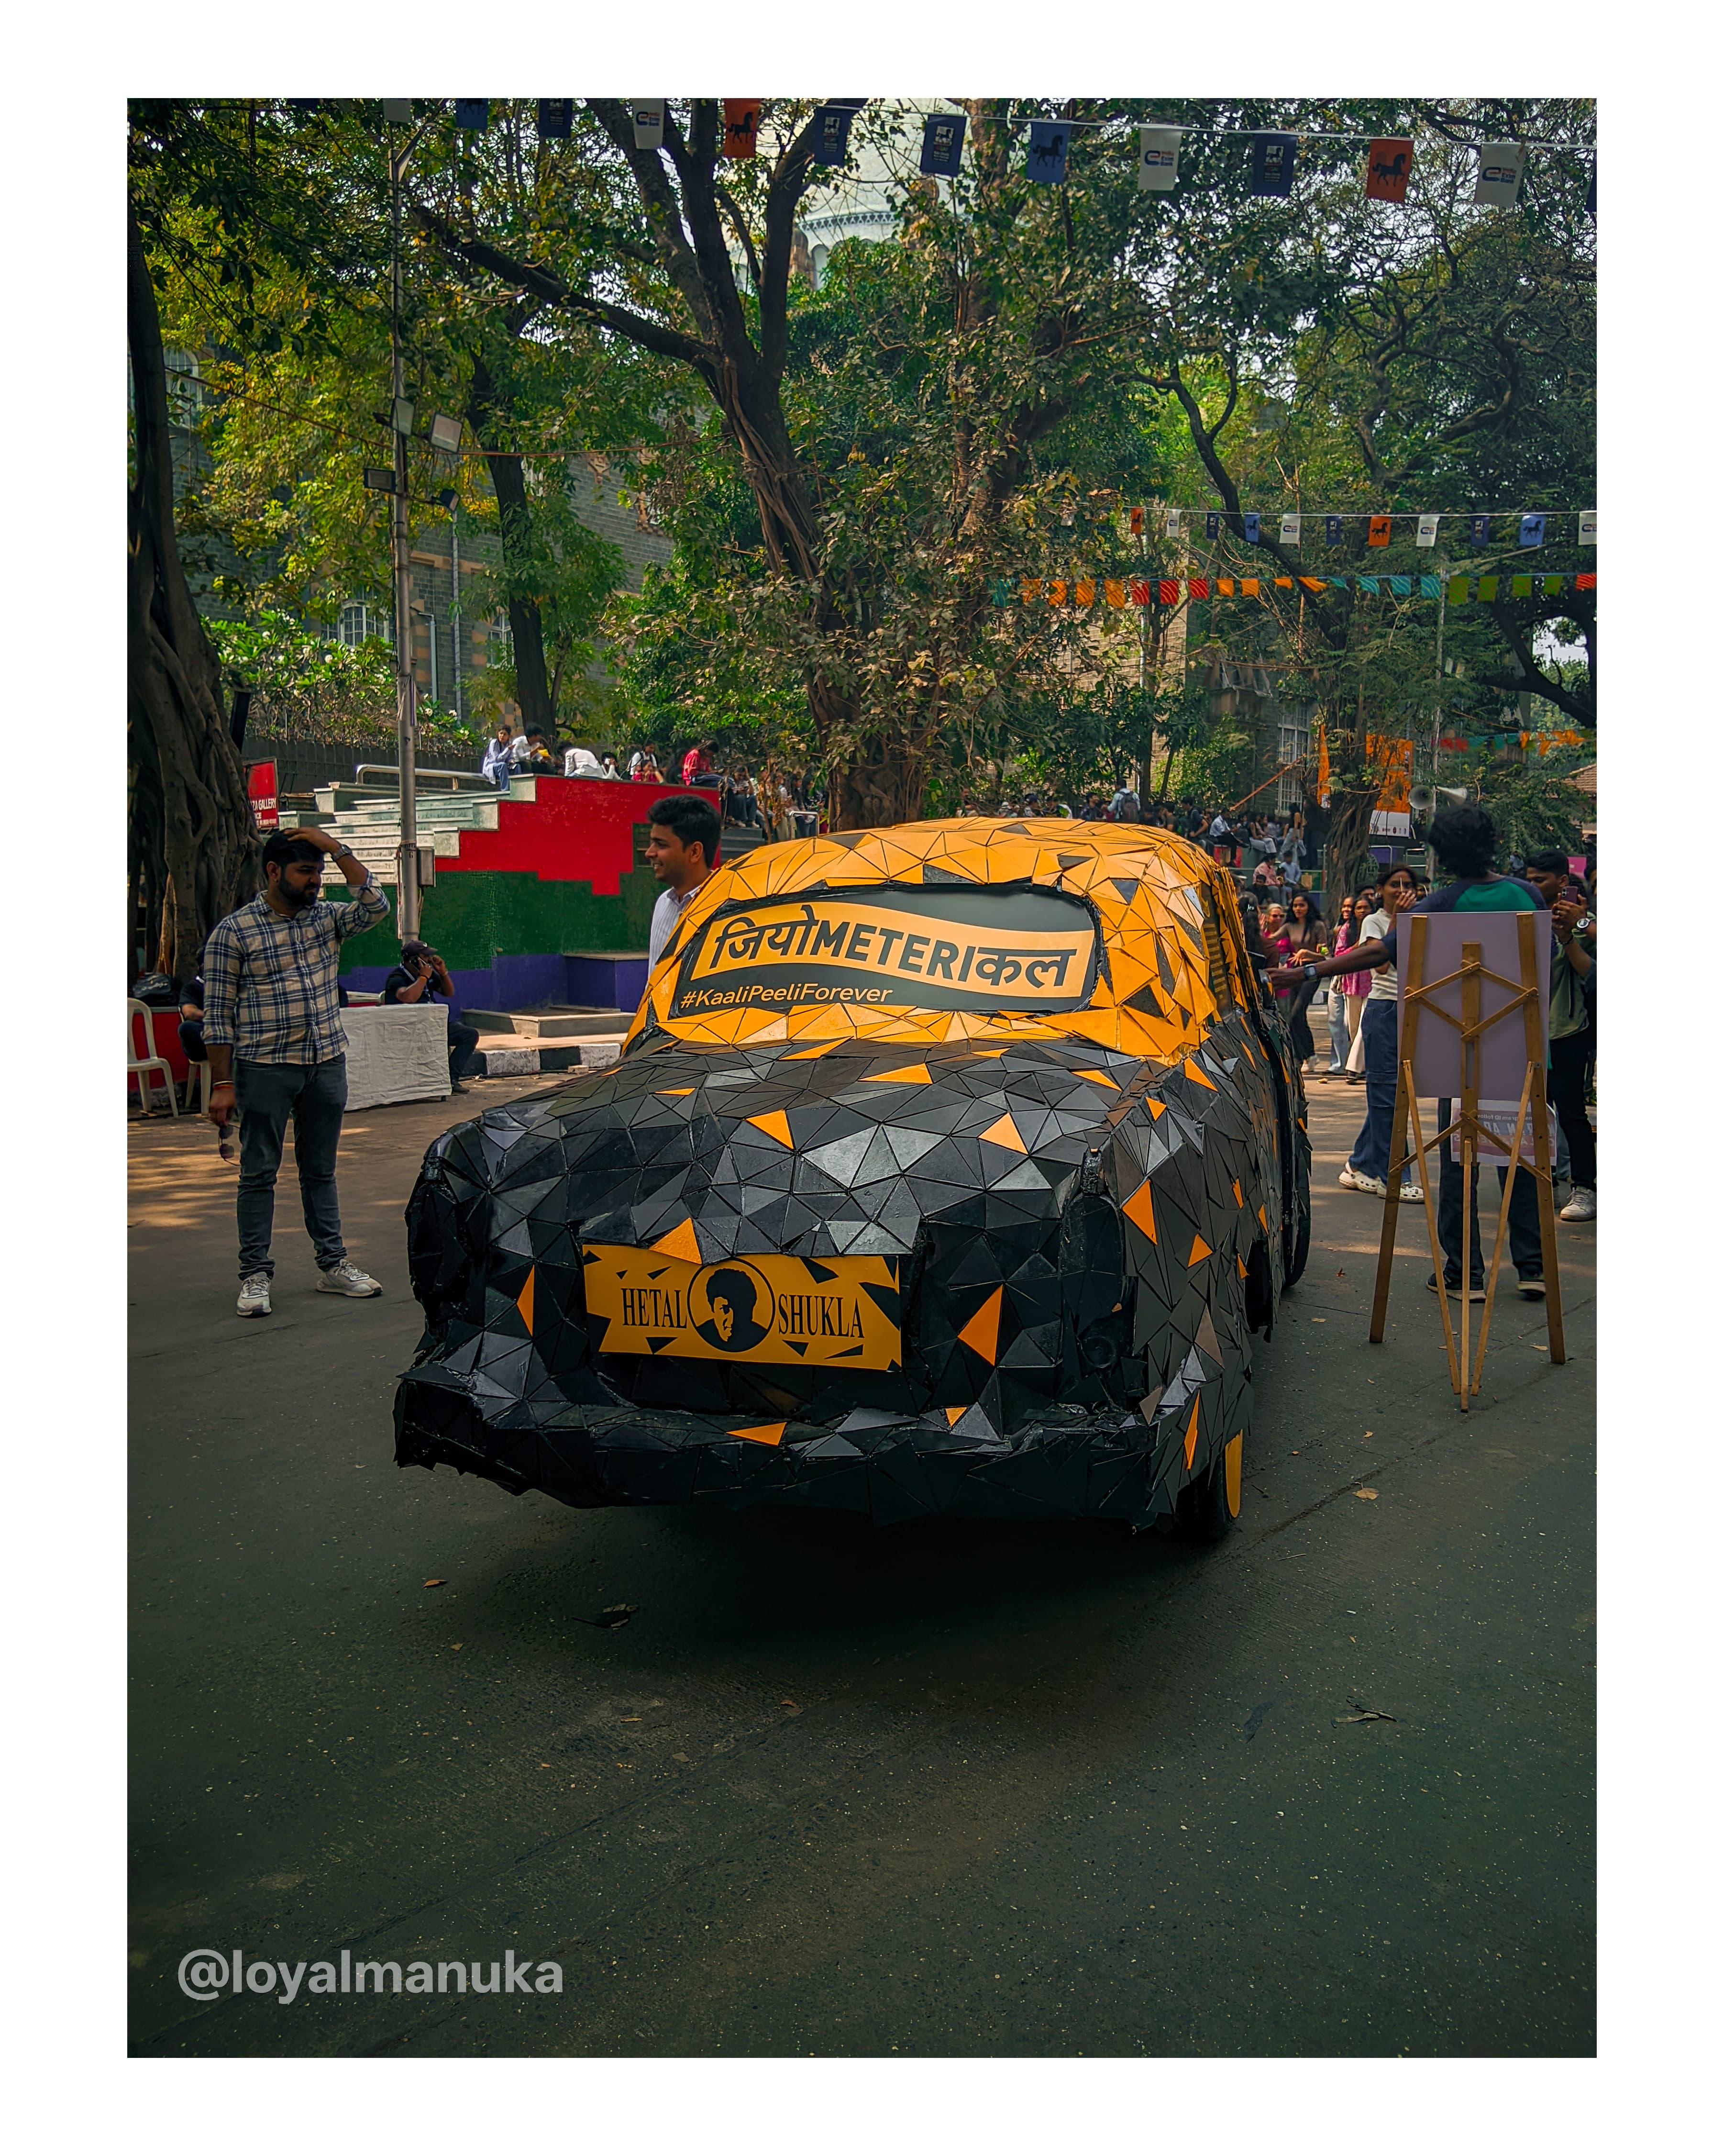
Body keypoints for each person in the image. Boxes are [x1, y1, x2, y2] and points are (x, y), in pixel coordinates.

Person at [1271, 806, 1552, 1293]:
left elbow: (1379, 952)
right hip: (1520, 1049)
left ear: (1443, 854)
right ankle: (1533, 1270)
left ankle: (1464, 1272)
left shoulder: (1439, 906)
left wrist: (1307, 971)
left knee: (1459, 1160)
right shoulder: (1527, 896)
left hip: (1459, 1049)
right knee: (1522, 1158)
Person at [200, 827, 390, 1319]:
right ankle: (255, 1275)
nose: (315, 882)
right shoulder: (234, 932)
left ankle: (333, 1265)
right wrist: (222, 1084)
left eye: (318, 873)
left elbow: (376, 905)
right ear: (273, 871)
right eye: (305, 872)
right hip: (264, 1069)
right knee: (258, 1173)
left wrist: (336, 849)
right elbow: (218, 1016)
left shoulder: (326, 919)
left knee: (320, 1171)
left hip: (325, 1063)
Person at [1525, 850, 1597, 1221]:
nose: (1533, 886)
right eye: (1529, 880)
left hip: (1568, 1030)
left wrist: (1572, 932)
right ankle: (1544, 1183)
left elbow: (1592, 973)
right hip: (1527, 1030)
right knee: (1535, 1113)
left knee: (1570, 1113)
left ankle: (1585, 1188)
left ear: (1563, 882)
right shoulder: (1524, 916)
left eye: (1541, 880)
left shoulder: (1583, 921)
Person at [382, 940, 480, 1097]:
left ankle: (450, 1079)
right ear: (414, 960)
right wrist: (423, 978)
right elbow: (408, 997)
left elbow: (448, 992)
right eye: (425, 957)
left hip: (433, 1024)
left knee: (469, 1035)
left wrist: (443, 973)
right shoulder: (397, 978)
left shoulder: (428, 974)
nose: (429, 960)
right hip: (410, 1028)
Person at [644, 794, 722, 976]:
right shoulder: (663, 903)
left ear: (695, 852)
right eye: (652, 843)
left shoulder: (725, 908)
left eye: (661, 845)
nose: (649, 853)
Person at [1282, 891, 1328, 1070]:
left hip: (1313, 971)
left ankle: (1308, 1055)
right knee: (1293, 1017)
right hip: (1295, 971)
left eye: (1302, 905)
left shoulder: (1318, 926)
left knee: (1297, 1013)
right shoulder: (1289, 926)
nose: (1298, 909)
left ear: (1309, 907)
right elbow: (1271, 940)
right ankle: (1305, 1057)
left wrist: (1308, 953)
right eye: (1295, 906)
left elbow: (1325, 954)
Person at [482, 721, 514, 790]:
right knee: (502, 765)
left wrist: (511, 761)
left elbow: (511, 757)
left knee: (517, 767)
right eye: (501, 733)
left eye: (505, 734)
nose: (502, 736)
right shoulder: (494, 743)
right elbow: (497, 760)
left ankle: (517, 788)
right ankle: (505, 790)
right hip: (492, 766)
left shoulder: (509, 744)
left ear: (508, 736)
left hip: (505, 767)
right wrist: (507, 750)